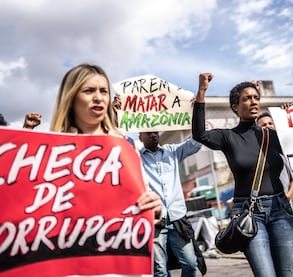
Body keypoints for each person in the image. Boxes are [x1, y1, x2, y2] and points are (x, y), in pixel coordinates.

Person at [192, 73, 293, 277]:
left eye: (256, 97)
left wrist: (292, 119)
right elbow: (200, 134)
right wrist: (202, 91)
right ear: (235, 106)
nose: (253, 102)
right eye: (246, 98)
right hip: (248, 213)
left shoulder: (274, 136)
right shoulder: (228, 137)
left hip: (280, 211)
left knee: (286, 274)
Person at [49, 63, 161, 235]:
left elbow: (143, 193)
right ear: (70, 99)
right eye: (88, 91)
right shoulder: (53, 148)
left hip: (119, 244)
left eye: (104, 91)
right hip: (69, 247)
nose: (99, 98)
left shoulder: (125, 145)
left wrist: (155, 207)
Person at [138, 131, 203, 277]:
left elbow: (196, 143)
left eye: (155, 131)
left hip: (177, 218)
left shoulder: (172, 151)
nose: (153, 135)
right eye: (148, 133)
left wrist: (197, 110)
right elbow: (121, 145)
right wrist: (116, 114)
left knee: (191, 264)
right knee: (159, 270)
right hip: (155, 220)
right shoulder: (137, 157)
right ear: (140, 137)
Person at [256, 111, 293, 201]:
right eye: (263, 125)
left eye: (270, 123)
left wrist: (288, 196)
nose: (268, 126)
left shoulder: (285, 151)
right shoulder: (255, 153)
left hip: (284, 205)